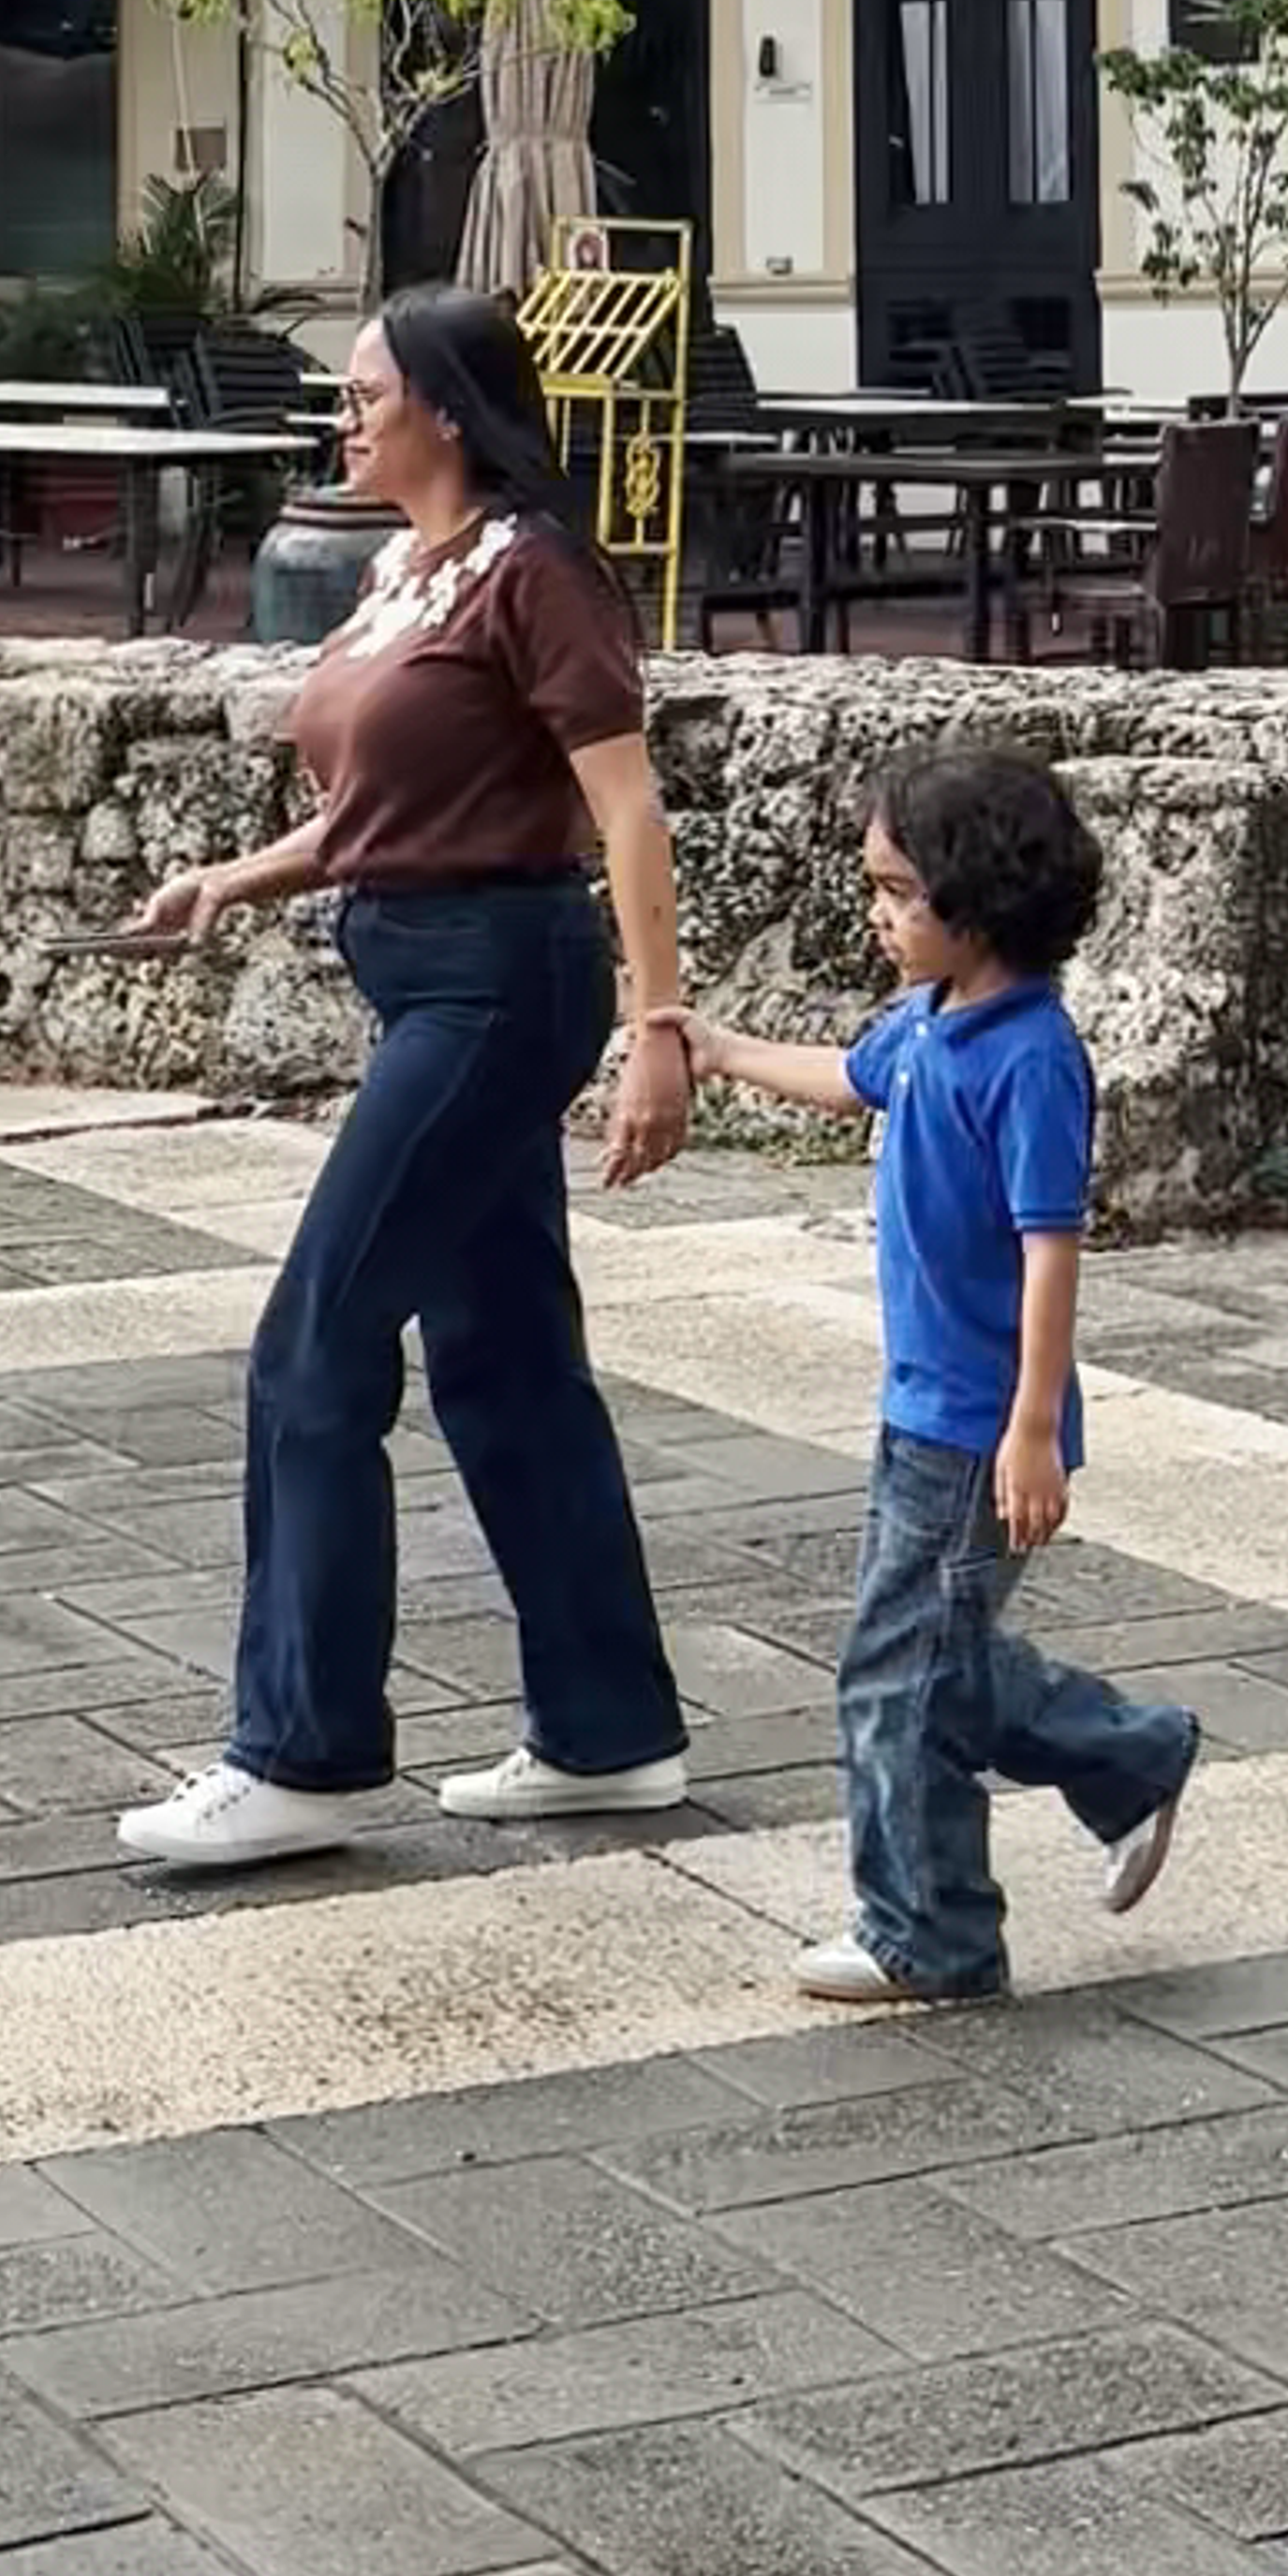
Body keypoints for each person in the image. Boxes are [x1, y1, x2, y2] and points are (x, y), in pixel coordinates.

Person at [107, 284, 695, 1874]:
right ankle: (609, 1729)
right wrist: (236, 877)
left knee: (315, 1340)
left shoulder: (538, 570)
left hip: (502, 986)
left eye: (365, 392)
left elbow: (621, 812)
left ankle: (302, 1751)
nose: (345, 417)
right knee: (503, 1357)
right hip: (422, 970)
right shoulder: (397, 572)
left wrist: (660, 1026)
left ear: (446, 404)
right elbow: (392, 801)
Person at [691, 743, 1196, 2009]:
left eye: (898, 891)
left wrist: (1033, 1425)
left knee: (893, 1667)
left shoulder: (1029, 1057)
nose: (877, 913)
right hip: (919, 1405)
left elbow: (1052, 1248)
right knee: (932, 1653)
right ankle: (1132, 1756)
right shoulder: (926, 1022)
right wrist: (722, 1047)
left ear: (978, 902)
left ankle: (933, 1931)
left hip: (975, 1424)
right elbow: (848, 1080)